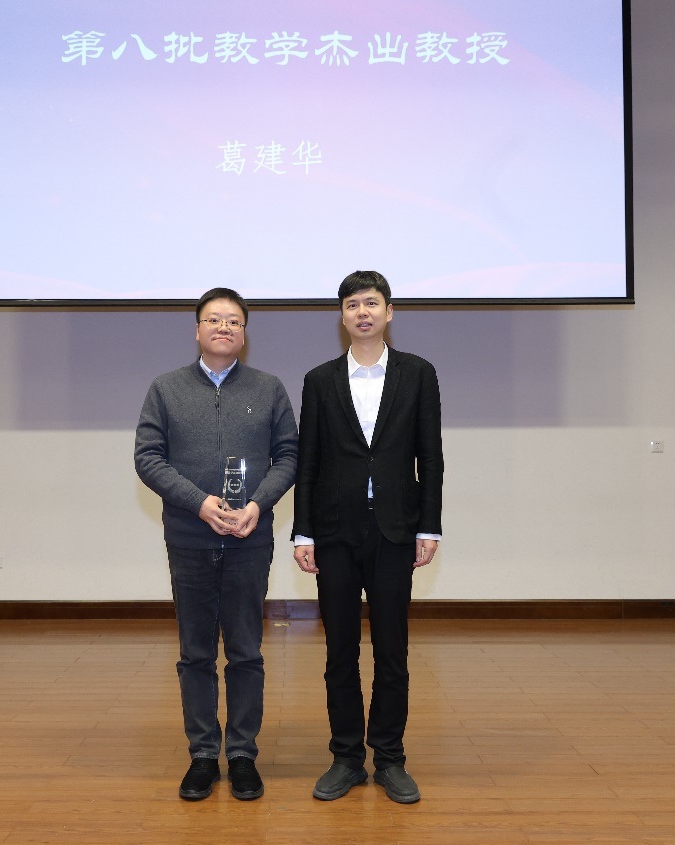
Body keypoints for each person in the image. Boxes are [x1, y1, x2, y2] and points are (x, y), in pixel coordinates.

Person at [134, 288, 298, 801]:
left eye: (233, 321)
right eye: (213, 319)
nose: (223, 327)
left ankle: (243, 754)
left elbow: (289, 456)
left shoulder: (268, 389)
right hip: (189, 538)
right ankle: (203, 754)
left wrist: (258, 504)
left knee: (246, 651)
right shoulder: (166, 388)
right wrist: (199, 503)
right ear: (197, 330)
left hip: (250, 539)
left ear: (244, 333)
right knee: (196, 653)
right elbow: (148, 457)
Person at [292, 270, 444, 805]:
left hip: (395, 530)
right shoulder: (319, 380)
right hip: (334, 532)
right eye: (353, 304)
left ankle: (390, 758)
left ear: (389, 312)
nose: (363, 312)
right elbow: (307, 462)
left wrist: (429, 525)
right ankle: (346, 758)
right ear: (342, 316)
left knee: (392, 651)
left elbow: (431, 457)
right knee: (339, 652)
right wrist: (303, 532)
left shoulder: (418, 373)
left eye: (372, 303)